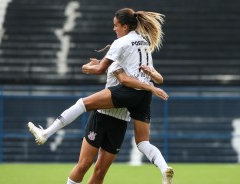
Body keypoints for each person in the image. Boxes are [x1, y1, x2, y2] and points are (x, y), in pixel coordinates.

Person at [28, 8, 174, 184]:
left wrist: (86, 67)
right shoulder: (142, 44)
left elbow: (111, 73)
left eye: (116, 25)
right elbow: (154, 76)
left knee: (83, 108)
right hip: (116, 114)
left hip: (114, 113)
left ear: (125, 27)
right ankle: (164, 168)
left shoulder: (120, 46)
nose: (114, 29)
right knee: (96, 166)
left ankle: (46, 133)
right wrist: (151, 86)